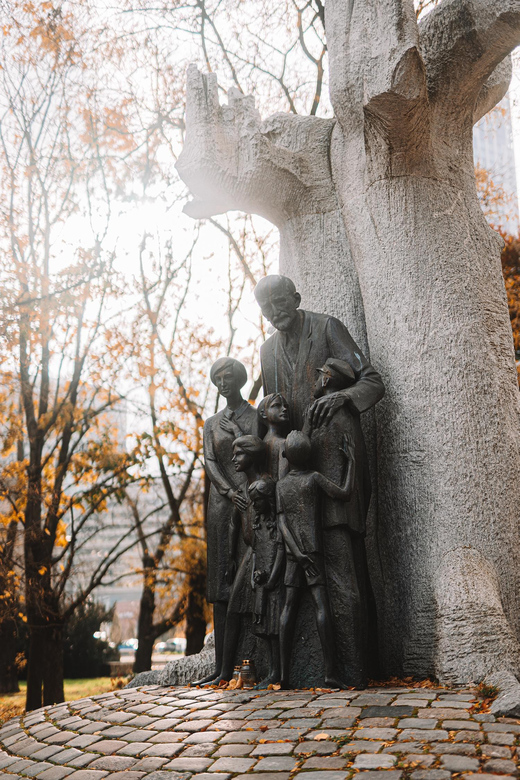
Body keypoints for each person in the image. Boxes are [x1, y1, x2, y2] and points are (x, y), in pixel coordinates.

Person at [276, 430, 355, 689]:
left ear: (286, 455)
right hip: (312, 553)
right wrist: (351, 463)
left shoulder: (281, 485)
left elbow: (282, 524)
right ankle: (330, 673)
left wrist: (296, 554)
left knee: (288, 609)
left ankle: (284, 676)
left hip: (292, 555)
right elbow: (345, 492)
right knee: (322, 607)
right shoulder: (314, 478)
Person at [197, 358, 258, 685]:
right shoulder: (211, 423)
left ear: (240, 379)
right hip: (221, 505)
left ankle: (249, 660)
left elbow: (257, 450)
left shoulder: (254, 416)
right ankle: (222, 666)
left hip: (250, 500)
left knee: (248, 578)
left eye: (228, 376)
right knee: (220, 584)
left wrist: (242, 491)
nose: (223, 382)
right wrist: (227, 490)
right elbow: (209, 460)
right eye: (217, 378)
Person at [210, 435, 268, 685]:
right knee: (234, 608)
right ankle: (224, 672)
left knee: (264, 613)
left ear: (252, 456)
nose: (233, 459)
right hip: (247, 554)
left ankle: (272, 670)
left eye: (239, 454)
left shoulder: (265, 486)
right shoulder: (242, 489)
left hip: (263, 554)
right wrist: (232, 557)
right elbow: (235, 522)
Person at [249, 478, 284, 688]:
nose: (254, 506)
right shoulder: (258, 524)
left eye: (258, 502)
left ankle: (277, 671)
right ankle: (272, 670)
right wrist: (254, 574)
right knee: (264, 630)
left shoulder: (277, 523)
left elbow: (280, 551)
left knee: (275, 629)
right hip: (261, 581)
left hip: (273, 582)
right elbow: (254, 551)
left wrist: (273, 577)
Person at [257, 392, 290, 480]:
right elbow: (283, 480)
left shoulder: (265, 440)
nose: (284, 409)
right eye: (277, 405)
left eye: (286, 406)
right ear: (263, 414)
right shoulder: (282, 443)